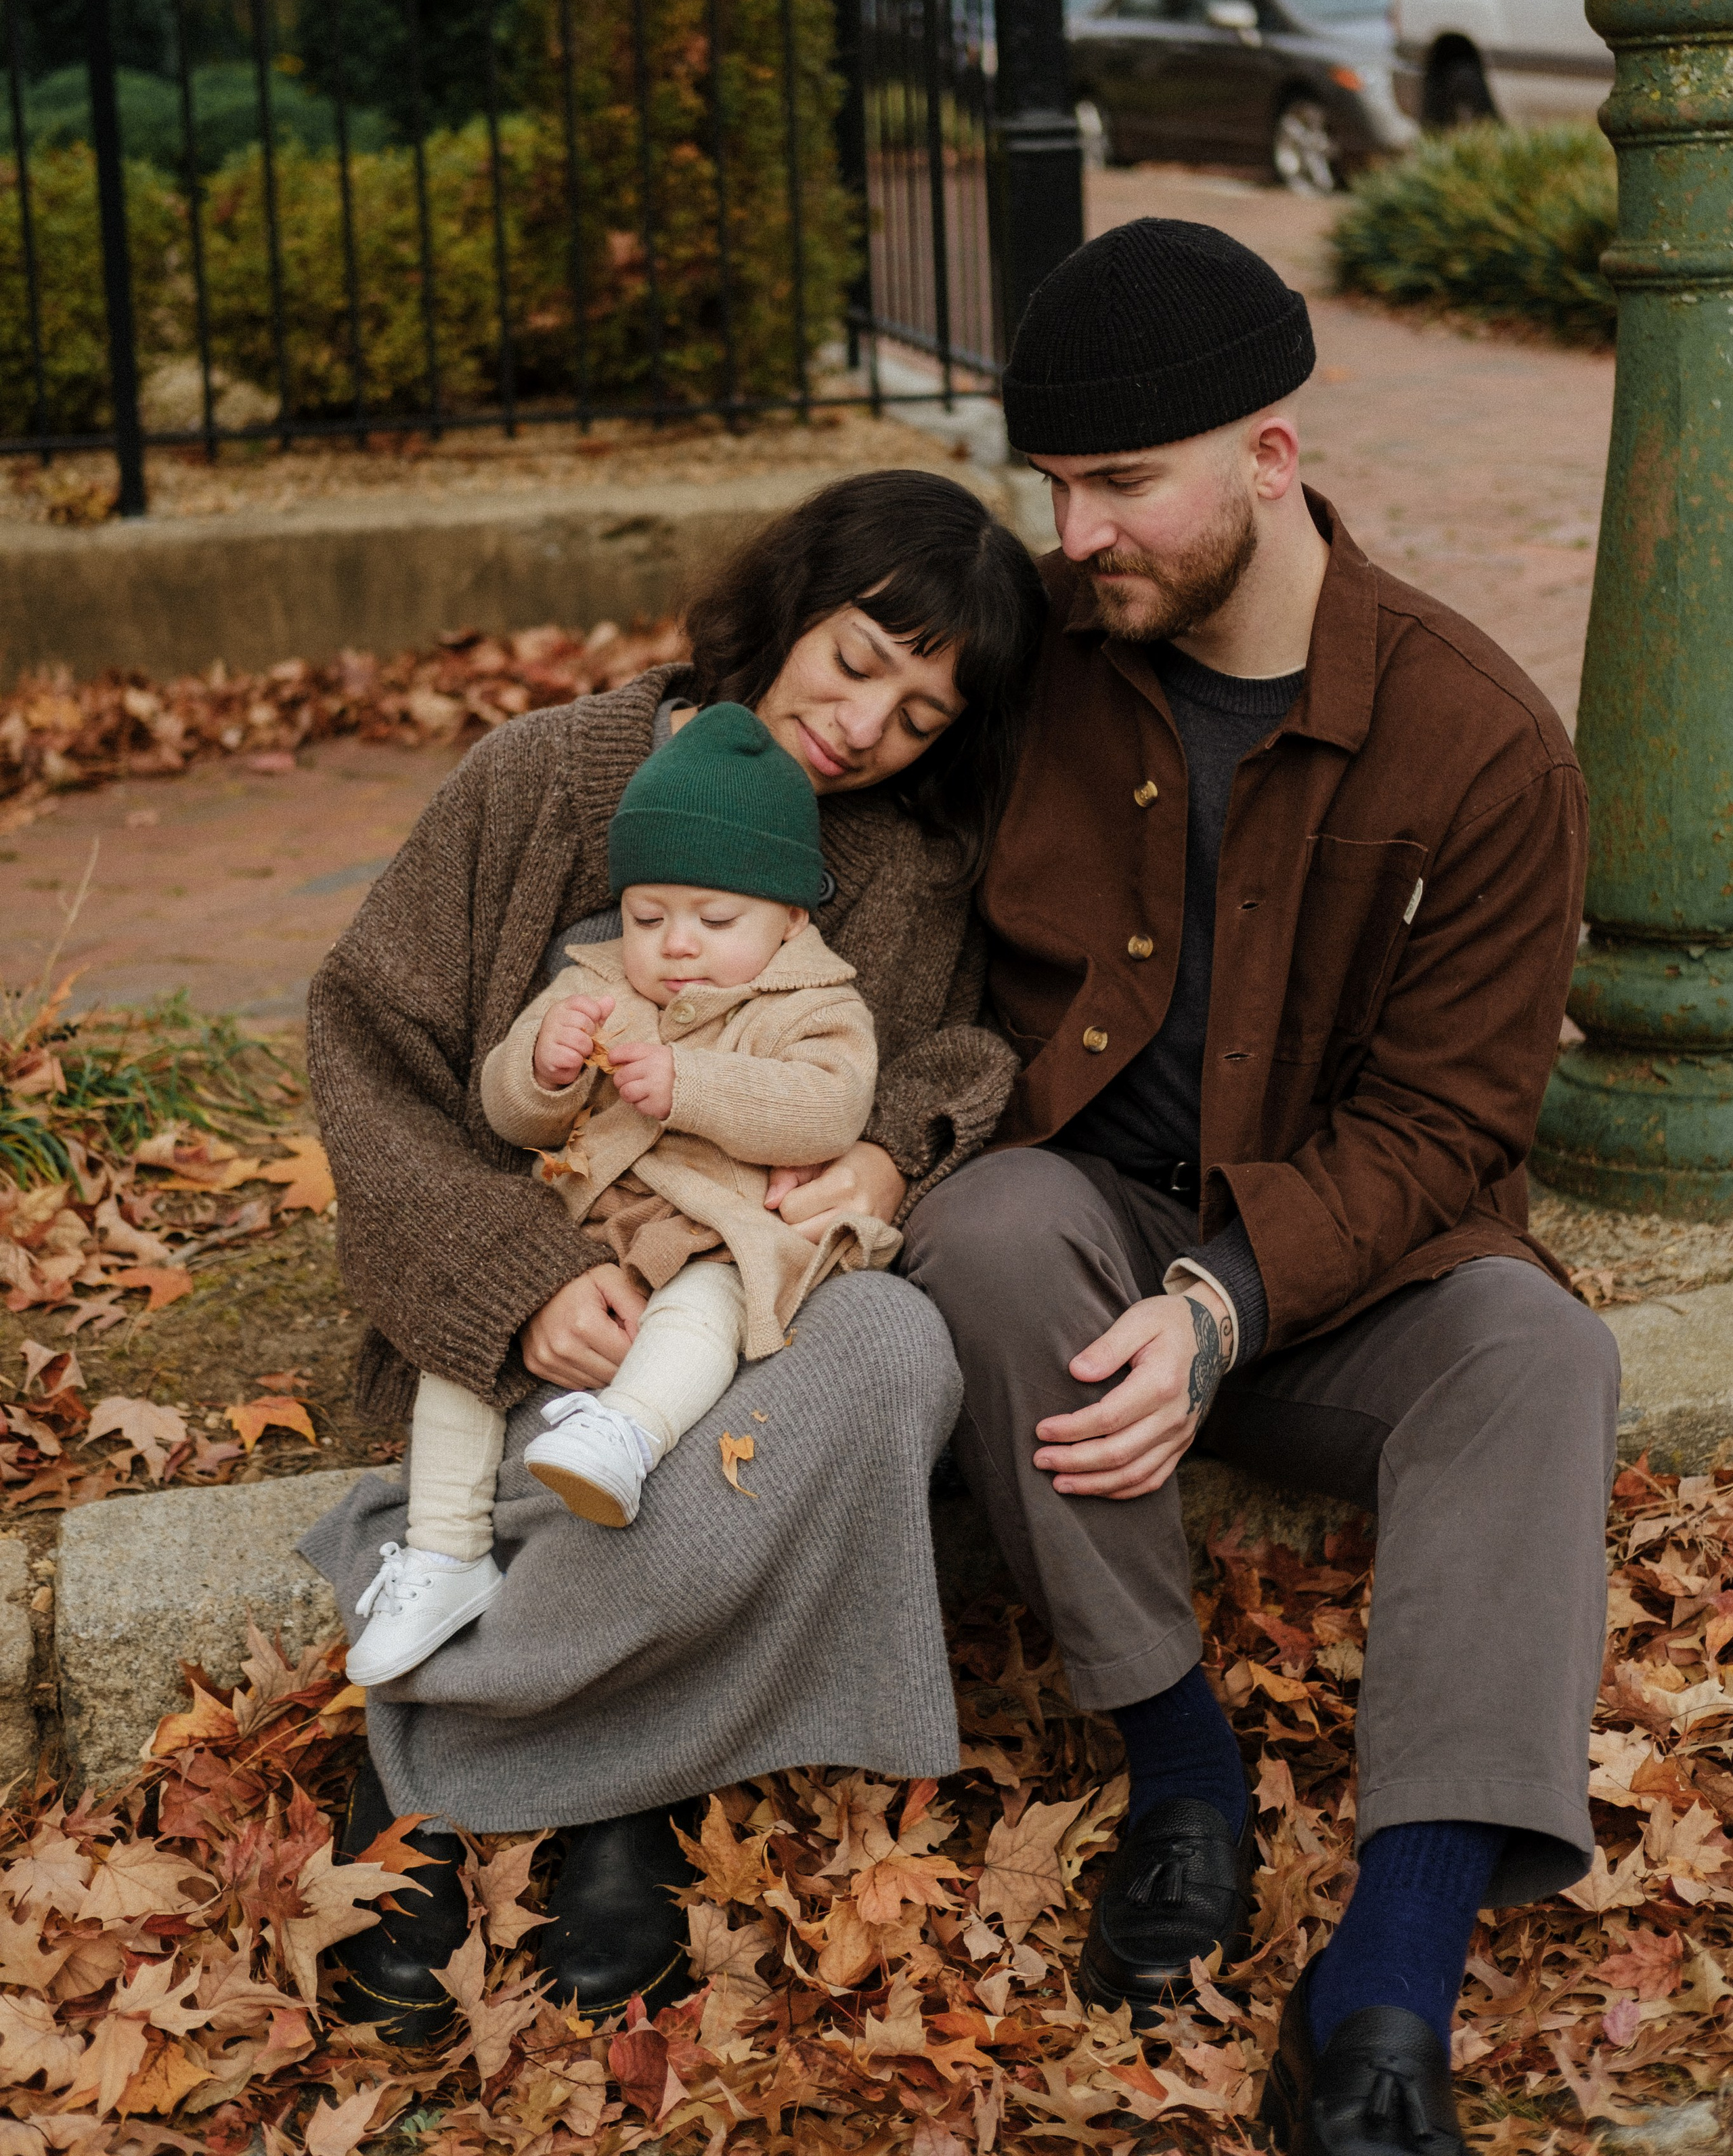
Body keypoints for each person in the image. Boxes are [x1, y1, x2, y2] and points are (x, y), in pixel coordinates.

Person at [901, 220, 1619, 2156]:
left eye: (1122, 485)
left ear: (1270, 460)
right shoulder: (1035, 656)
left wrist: (1225, 1303)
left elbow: (1449, 1124)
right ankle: (1184, 1780)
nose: (1076, 535)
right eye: (1053, 486)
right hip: (1079, 1248)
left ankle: (1383, 1995)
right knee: (985, 1225)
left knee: (1542, 1360)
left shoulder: (1480, 743)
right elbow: (798, 709)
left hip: (1347, 1277)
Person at [299, 469, 1045, 2040]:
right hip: (526, 1304)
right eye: (854, 662)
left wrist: (885, 1148)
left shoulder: (913, 865)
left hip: (730, 1305)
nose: (864, 728)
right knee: (617, 1434)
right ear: (789, 605)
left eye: (920, 715)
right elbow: (369, 1043)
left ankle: (477, 1744)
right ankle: (599, 1785)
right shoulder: (545, 777)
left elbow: (959, 1048)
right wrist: (517, 1281)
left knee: (893, 1352)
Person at [345, 703, 901, 1686]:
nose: (677, 945)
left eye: (715, 920)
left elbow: (827, 1108)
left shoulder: (815, 1004)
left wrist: (694, 1085)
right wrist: (542, 1069)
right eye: (649, 917)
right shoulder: (596, 986)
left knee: (708, 1306)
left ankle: (629, 1431)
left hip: (713, 1227)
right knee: (462, 1355)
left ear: (791, 919)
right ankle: (443, 1553)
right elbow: (510, 1114)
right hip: (580, 1231)